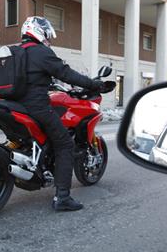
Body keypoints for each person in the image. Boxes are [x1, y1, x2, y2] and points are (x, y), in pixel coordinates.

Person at [17, 16, 104, 211]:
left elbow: (29, 79)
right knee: (65, 144)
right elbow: (66, 73)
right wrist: (94, 84)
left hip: (12, 105)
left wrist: (47, 84)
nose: (49, 38)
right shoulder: (41, 52)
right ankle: (62, 198)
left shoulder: (15, 52)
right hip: (36, 107)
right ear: (39, 32)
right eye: (47, 33)